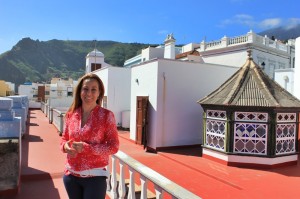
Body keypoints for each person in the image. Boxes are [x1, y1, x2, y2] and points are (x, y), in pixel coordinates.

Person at [60, 73, 119, 199]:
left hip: (95, 178)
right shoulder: (71, 115)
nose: (89, 93)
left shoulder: (107, 116)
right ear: (80, 91)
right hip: (71, 176)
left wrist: (88, 148)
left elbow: (114, 147)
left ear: (99, 93)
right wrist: (65, 147)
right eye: (85, 89)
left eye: (94, 89)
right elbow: (64, 139)